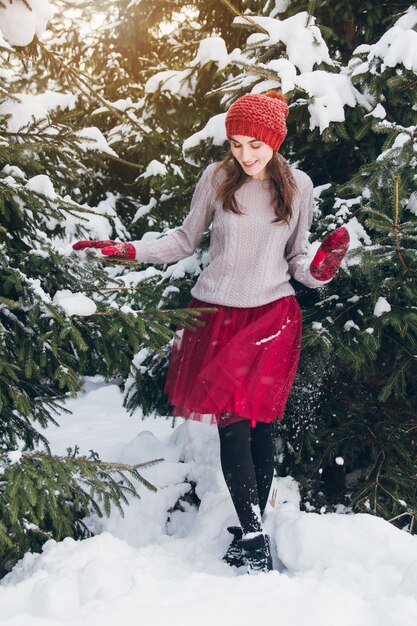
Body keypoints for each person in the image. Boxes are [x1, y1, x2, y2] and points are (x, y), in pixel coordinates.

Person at [73, 91, 350, 574]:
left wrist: (321, 271)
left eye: (256, 145)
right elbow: (183, 240)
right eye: (237, 143)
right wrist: (129, 250)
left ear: (275, 142)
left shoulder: (298, 186)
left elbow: (298, 259)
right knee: (233, 427)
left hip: (272, 315)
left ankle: (251, 532)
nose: (245, 154)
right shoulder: (218, 177)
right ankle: (253, 533)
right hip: (218, 314)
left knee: (260, 428)